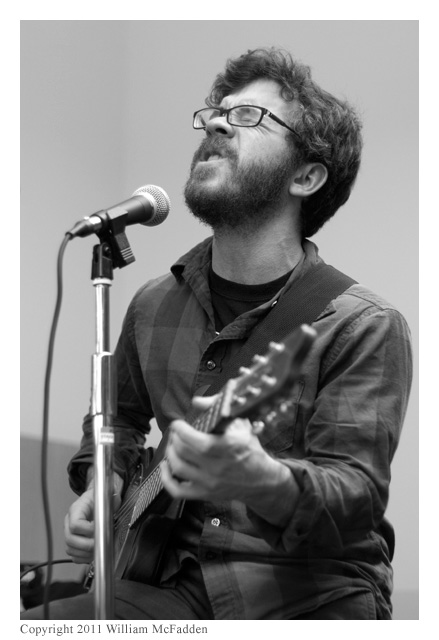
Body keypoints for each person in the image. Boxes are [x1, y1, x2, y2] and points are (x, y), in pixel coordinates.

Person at [22, 47, 412, 620]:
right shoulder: (153, 302)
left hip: (305, 594)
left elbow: (353, 500)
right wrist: (104, 483)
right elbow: (118, 421)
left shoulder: (361, 324)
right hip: (157, 578)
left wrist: (264, 479)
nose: (219, 123)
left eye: (249, 116)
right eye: (216, 113)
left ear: (306, 177)